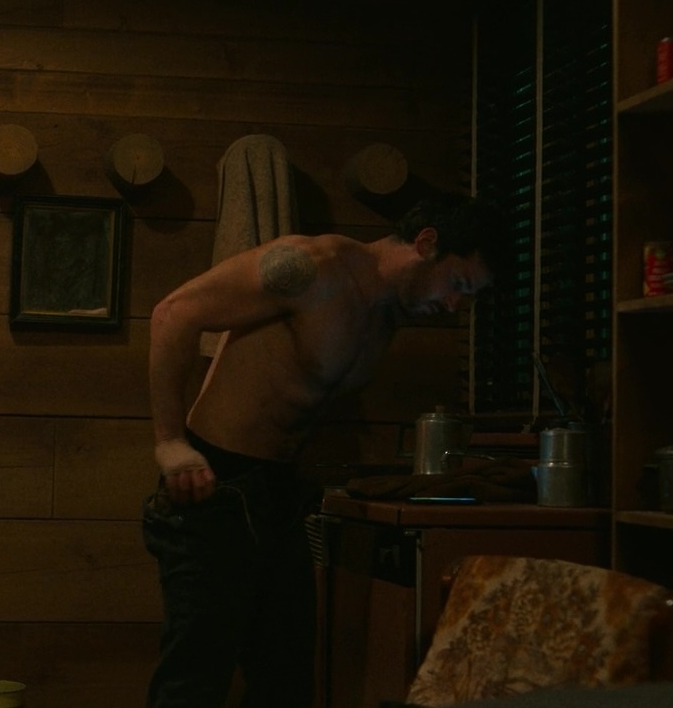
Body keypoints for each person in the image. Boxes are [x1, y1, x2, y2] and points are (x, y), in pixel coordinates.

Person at [141, 193, 499, 708]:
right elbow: (173, 313)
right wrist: (171, 442)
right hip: (216, 483)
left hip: (281, 493)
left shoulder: (386, 314)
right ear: (426, 243)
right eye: (457, 284)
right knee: (193, 682)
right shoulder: (313, 268)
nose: (453, 306)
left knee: (286, 681)